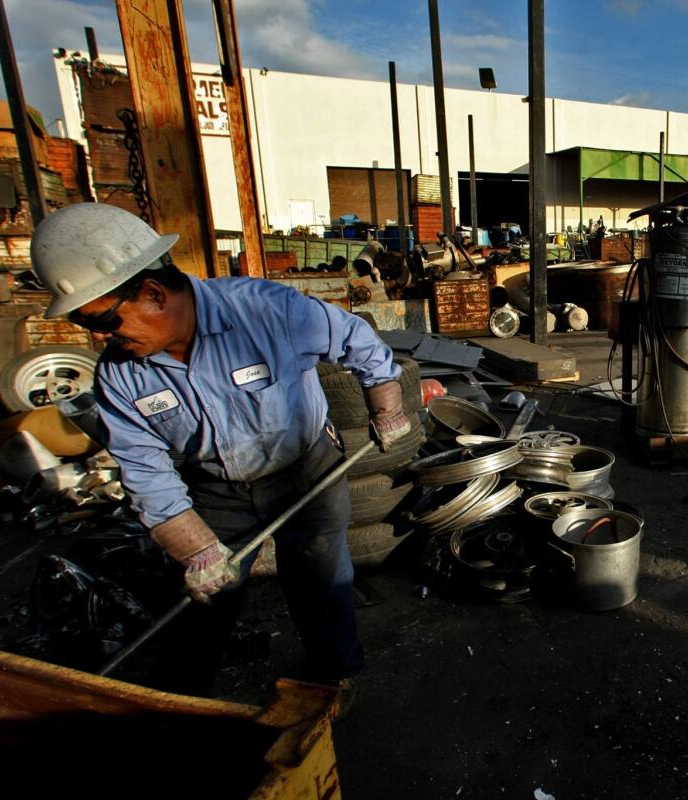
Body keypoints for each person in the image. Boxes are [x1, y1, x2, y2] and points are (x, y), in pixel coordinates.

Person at [29, 203, 413, 702]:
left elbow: (355, 339)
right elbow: (145, 470)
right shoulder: (120, 376)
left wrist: (385, 406)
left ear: (152, 293)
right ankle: (189, 704)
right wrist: (194, 549)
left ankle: (331, 675)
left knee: (321, 580)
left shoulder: (267, 312)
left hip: (306, 471)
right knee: (207, 601)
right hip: (213, 490)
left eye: (103, 319)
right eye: (89, 326)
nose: (100, 337)